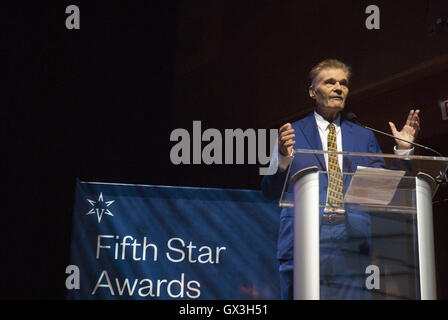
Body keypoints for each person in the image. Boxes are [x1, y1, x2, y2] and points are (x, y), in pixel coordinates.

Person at [261, 59, 420, 300]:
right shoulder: (291, 133)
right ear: (313, 92)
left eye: (343, 83)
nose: (339, 87)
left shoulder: (364, 136)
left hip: (352, 242)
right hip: (302, 240)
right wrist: (282, 158)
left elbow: (381, 193)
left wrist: (403, 152)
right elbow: (270, 191)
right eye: (330, 82)